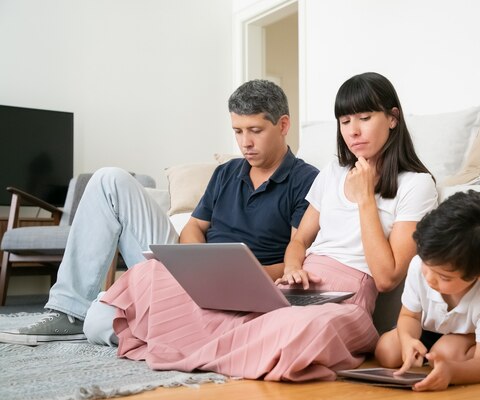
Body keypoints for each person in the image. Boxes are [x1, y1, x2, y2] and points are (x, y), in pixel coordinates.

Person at [84, 72, 439, 381]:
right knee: (151, 275)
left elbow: (388, 276)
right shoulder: (334, 173)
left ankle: (192, 344)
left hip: (348, 298)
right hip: (300, 285)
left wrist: (365, 200)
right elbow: (299, 238)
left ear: (393, 118)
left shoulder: (416, 184)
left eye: (364, 118)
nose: (354, 131)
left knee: (301, 330)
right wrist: (295, 268)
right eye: (345, 121)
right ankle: (226, 347)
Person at [0, 79, 318, 346]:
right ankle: (69, 311)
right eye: (237, 131)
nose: (245, 142)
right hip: (190, 269)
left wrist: (239, 275)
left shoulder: (306, 180)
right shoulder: (228, 172)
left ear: (283, 125)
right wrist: (199, 264)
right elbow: (194, 227)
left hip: (246, 283)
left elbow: (297, 253)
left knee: (100, 322)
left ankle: (175, 329)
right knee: (109, 178)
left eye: (255, 130)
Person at [374, 190, 480, 391]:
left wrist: (452, 372)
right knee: (386, 350)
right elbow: (409, 316)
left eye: (444, 277)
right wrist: (408, 340)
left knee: (446, 354)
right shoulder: (422, 264)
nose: (429, 278)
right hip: (433, 329)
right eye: (427, 266)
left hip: (473, 333)